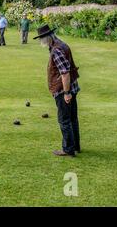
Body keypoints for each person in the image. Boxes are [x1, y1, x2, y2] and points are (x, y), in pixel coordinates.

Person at [34, 25, 81, 157]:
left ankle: (68, 149)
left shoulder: (56, 51)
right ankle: (75, 146)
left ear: (46, 38)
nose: (40, 42)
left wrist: (66, 93)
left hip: (63, 90)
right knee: (72, 119)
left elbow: (65, 73)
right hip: (73, 86)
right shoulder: (62, 44)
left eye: (41, 39)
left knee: (64, 120)